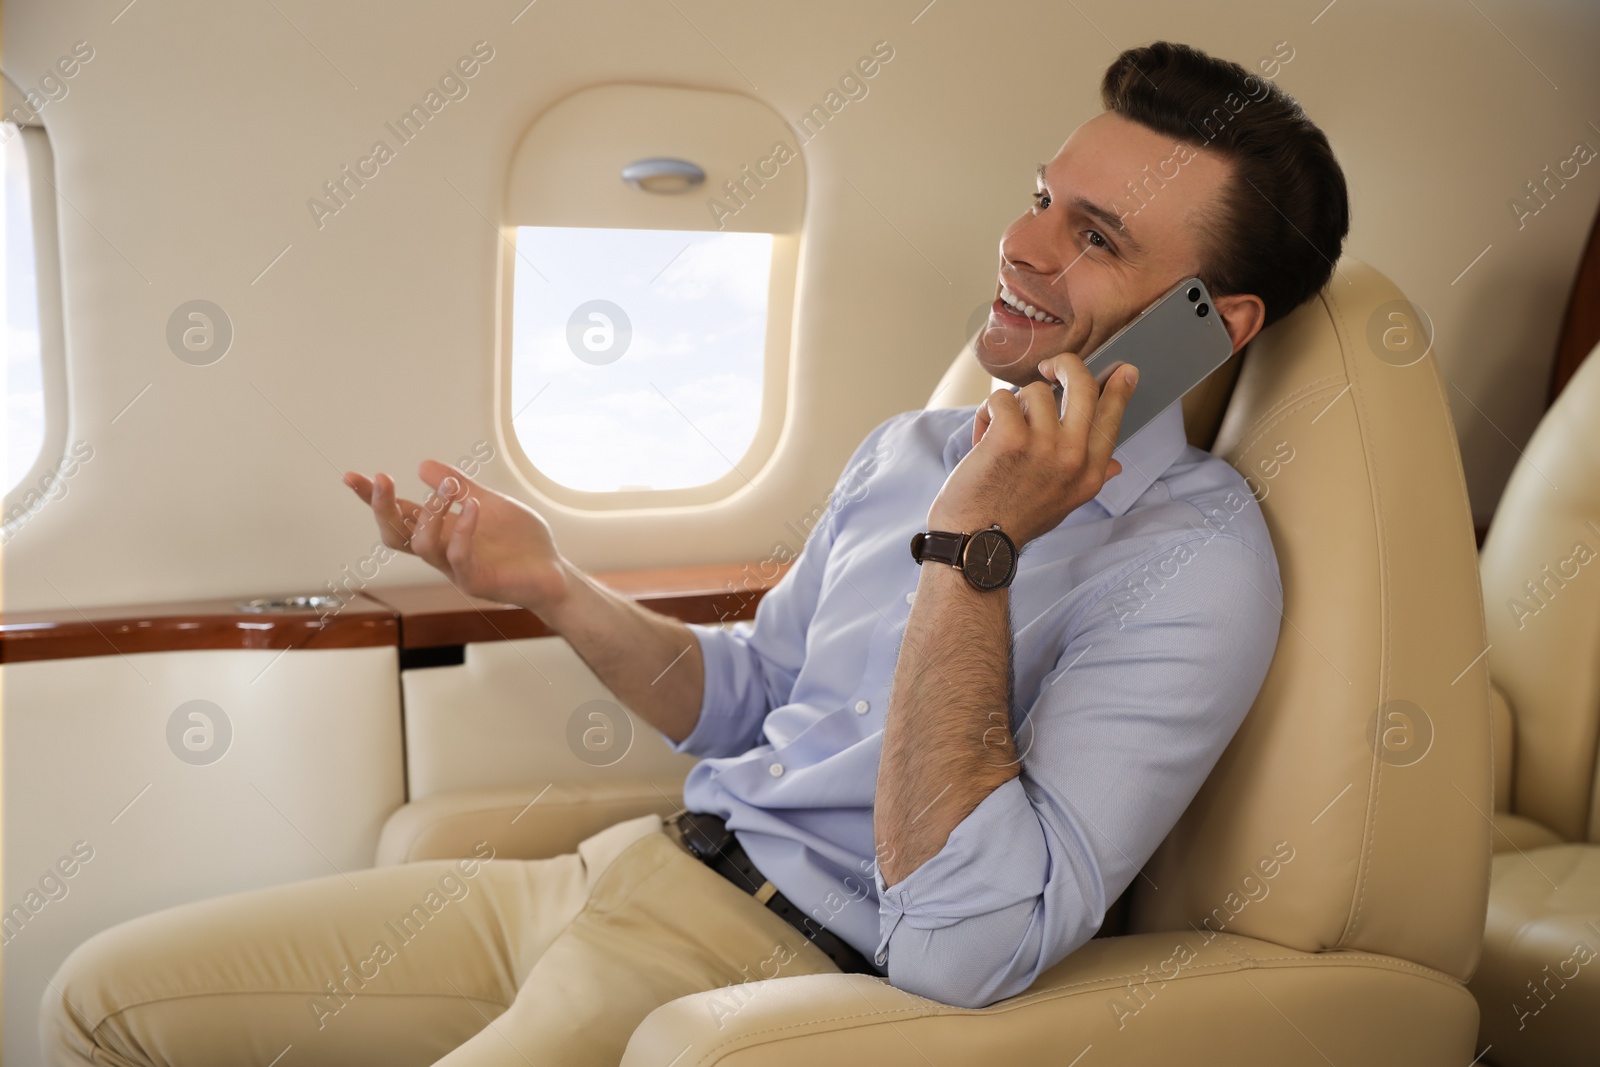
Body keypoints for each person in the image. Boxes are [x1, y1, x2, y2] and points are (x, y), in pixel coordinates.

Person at [43, 40, 1348, 1066]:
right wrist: (546, 582)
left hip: (761, 971)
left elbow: (970, 947)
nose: (1020, 244)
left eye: (1096, 236)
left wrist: (978, 549)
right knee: (99, 1002)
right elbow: (748, 707)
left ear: (1211, 326)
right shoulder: (917, 447)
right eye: (1041, 200)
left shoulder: (1194, 563)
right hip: (623, 874)